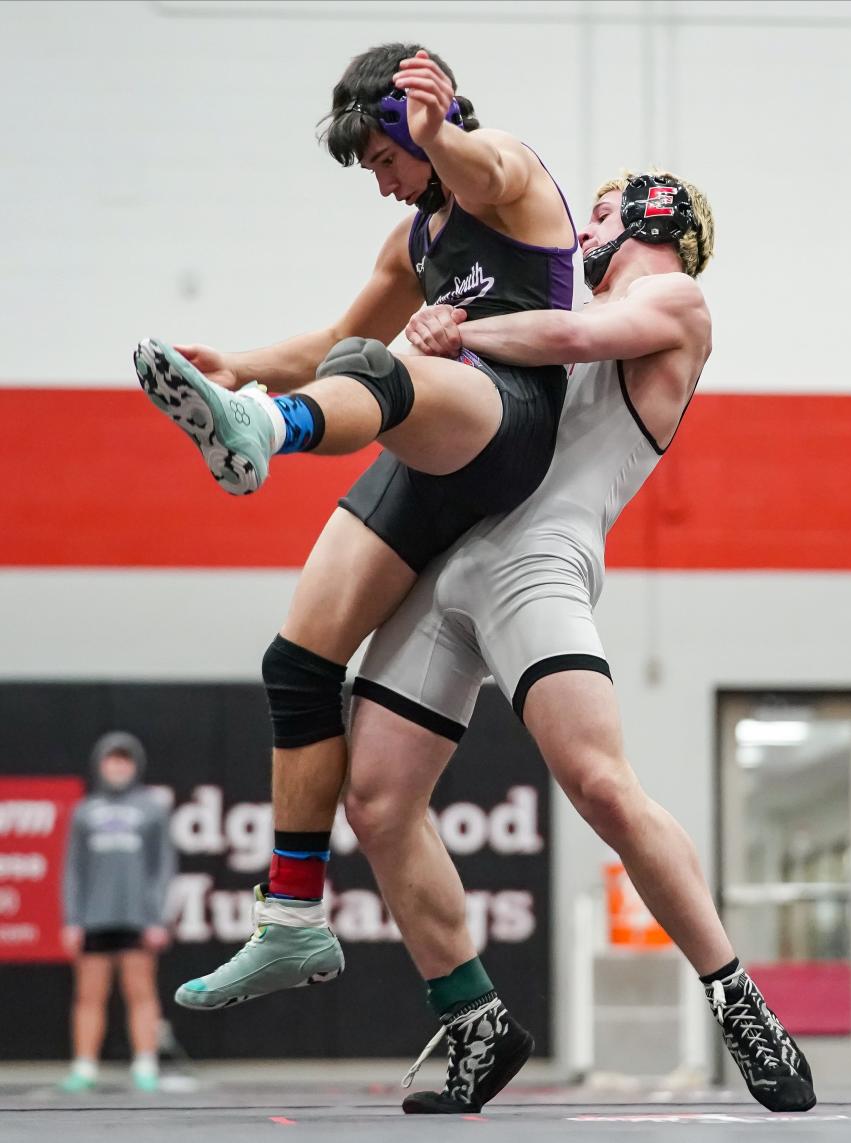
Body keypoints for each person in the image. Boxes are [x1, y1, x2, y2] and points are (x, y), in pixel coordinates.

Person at [340, 171, 817, 1115]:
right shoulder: (554, 293)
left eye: (600, 212)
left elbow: (574, 339)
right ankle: (477, 1017)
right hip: (457, 557)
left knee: (601, 784)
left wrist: (457, 325)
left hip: (541, 560)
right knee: (377, 800)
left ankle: (734, 991)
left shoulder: (673, 298)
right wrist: (437, 334)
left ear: (655, 218)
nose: (580, 228)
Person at [133, 43, 577, 1009]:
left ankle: (273, 434)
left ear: (419, 124)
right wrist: (237, 363)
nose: (381, 186)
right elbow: (337, 339)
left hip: (508, 422)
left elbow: (482, 166)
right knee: (298, 660)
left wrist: (436, 129)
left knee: (382, 371)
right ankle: (290, 917)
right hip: (426, 430)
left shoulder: (504, 168)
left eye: (384, 163)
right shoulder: (414, 238)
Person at [60, 732, 175, 1093]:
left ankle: (145, 1063)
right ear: (100, 763)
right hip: (93, 919)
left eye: (124, 760)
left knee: (140, 991)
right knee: (88, 995)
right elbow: (72, 870)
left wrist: (157, 916)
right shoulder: (84, 811)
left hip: (137, 918)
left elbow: (164, 866)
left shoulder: (151, 808)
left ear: (135, 764)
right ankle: (84, 1066)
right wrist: (72, 919)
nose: (118, 766)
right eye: (112, 759)